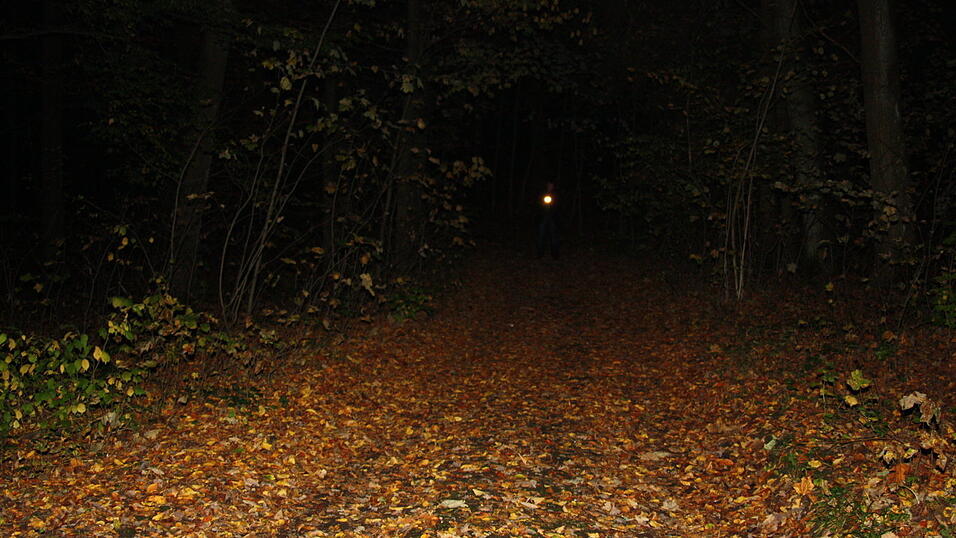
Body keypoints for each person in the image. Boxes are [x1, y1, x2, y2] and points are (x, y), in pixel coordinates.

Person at [537, 182, 560, 259]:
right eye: (549, 185)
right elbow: (538, 204)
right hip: (543, 218)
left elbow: (558, 206)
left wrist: (553, 205)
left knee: (553, 237)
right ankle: (540, 254)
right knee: (541, 236)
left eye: (552, 185)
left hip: (552, 218)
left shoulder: (556, 194)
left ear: (553, 186)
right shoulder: (542, 193)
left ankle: (555, 254)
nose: (550, 186)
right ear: (547, 185)